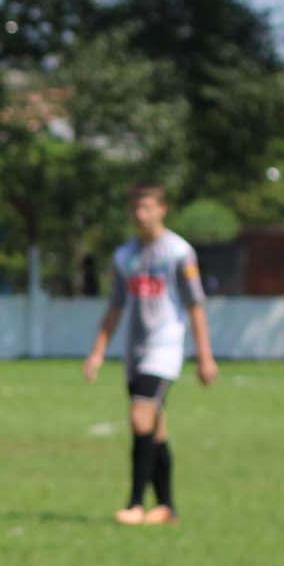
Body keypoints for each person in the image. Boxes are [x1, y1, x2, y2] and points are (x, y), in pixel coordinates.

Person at [83, 182, 217, 527]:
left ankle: (135, 504)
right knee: (154, 429)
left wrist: (205, 355)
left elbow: (195, 305)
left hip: (165, 347)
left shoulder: (178, 253)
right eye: (135, 209)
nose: (140, 216)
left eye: (147, 208)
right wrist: (98, 352)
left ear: (162, 210)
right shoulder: (125, 256)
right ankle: (167, 507)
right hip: (135, 349)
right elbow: (115, 306)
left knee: (140, 418)